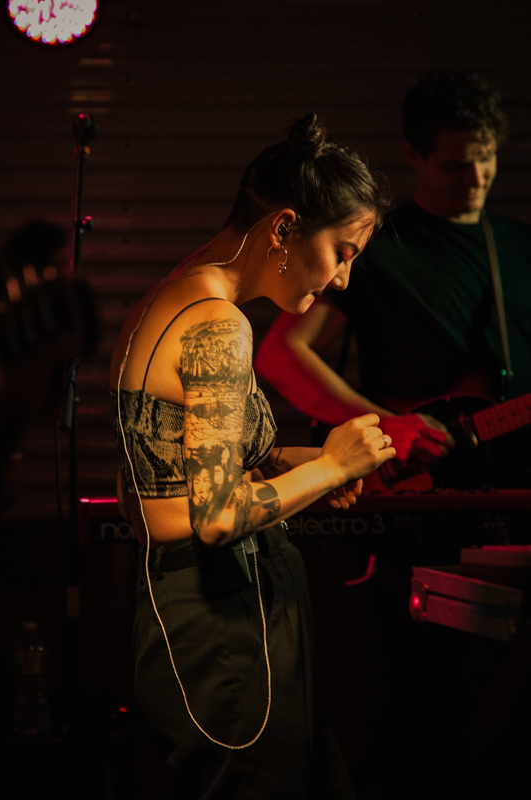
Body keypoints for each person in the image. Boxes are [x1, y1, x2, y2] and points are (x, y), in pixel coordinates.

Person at [109, 112, 395, 799]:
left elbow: (176, 466)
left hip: (205, 617)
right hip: (222, 625)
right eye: (343, 252)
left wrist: (303, 467)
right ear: (284, 228)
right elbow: (212, 516)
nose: (343, 280)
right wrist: (332, 466)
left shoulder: (175, 294)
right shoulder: (217, 326)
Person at [255, 71, 531, 489]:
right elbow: (281, 354)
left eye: (486, 158)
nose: (476, 178)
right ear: (413, 155)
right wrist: (386, 426)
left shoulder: (522, 245)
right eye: (456, 165)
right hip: (424, 485)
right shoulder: (378, 246)